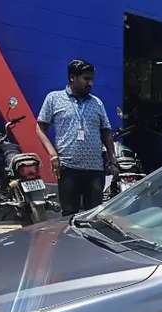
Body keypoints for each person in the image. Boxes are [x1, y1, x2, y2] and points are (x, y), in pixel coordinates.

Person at [35, 59, 115, 215]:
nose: (90, 83)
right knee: (69, 214)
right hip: (68, 169)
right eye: (86, 79)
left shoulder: (97, 103)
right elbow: (40, 128)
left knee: (93, 215)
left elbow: (106, 132)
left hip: (95, 170)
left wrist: (112, 160)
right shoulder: (54, 98)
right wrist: (52, 154)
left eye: (92, 79)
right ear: (72, 77)